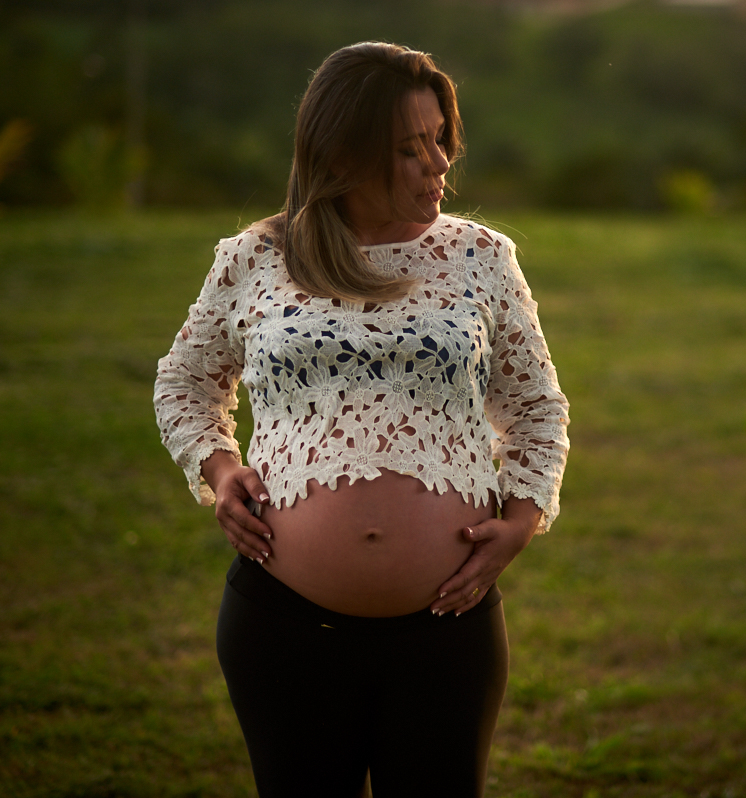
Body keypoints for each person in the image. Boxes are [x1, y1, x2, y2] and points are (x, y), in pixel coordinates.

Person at [153, 41, 569, 797]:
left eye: (441, 138)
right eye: (410, 149)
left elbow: (537, 408)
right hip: (283, 629)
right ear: (342, 155)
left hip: (446, 631)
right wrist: (218, 473)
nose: (439, 163)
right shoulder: (256, 257)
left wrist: (520, 519)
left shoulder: (481, 257)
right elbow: (185, 381)